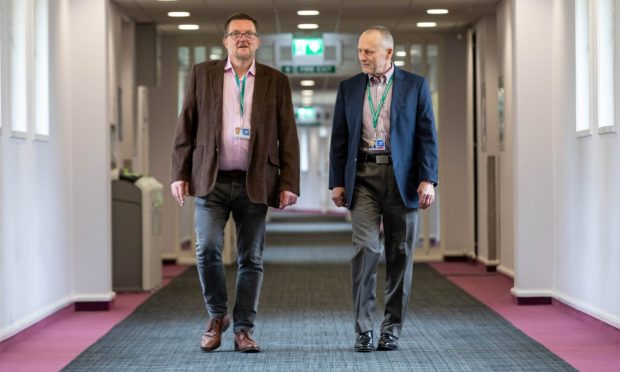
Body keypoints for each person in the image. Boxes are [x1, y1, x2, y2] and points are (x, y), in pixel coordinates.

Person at [170, 13, 300, 353]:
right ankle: (217, 316)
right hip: (211, 180)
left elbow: (288, 137)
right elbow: (186, 126)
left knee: (251, 258)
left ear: (257, 41)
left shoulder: (275, 80)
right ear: (225, 41)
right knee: (207, 249)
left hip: (255, 182)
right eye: (236, 34)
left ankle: (243, 328)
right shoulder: (202, 74)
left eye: (249, 34)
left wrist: (288, 182)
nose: (242, 38)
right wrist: (179, 174)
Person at [328, 26, 438, 352]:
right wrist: (336, 181)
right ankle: (363, 329)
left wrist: (428, 179)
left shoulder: (415, 86)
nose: (362, 57)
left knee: (399, 254)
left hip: (401, 180)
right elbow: (339, 138)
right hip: (362, 177)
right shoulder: (348, 89)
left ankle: (391, 328)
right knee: (366, 250)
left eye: (369, 52)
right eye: (360, 51)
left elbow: (427, 137)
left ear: (388, 53)